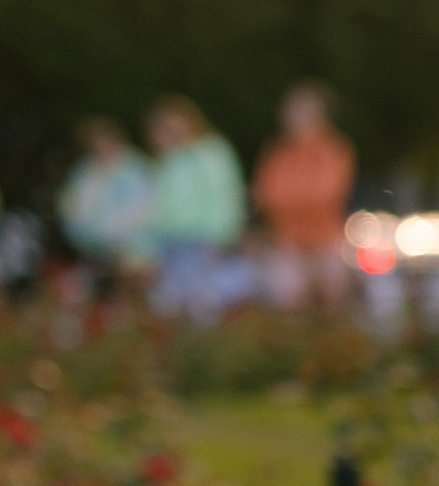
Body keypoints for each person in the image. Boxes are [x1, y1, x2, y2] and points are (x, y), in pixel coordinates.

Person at [144, 96, 249, 317]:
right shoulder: (166, 161)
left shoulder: (210, 152)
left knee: (203, 299)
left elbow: (225, 193)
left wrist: (223, 233)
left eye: (172, 126)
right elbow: (157, 205)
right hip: (169, 238)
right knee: (171, 300)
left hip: (201, 237)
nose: (169, 132)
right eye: (162, 128)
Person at [251, 83, 355, 305]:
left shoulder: (333, 150)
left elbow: (327, 193)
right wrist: (297, 196)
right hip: (285, 239)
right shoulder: (278, 153)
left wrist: (288, 198)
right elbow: (266, 194)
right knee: (288, 299)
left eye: (301, 110)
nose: (292, 116)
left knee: (332, 298)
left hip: (325, 237)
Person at [57, 119, 155, 284]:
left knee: (135, 282)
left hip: (133, 242)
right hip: (92, 245)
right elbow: (69, 202)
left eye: (105, 140)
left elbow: (145, 203)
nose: (101, 146)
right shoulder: (84, 169)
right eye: (95, 142)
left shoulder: (134, 166)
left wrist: (126, 235)